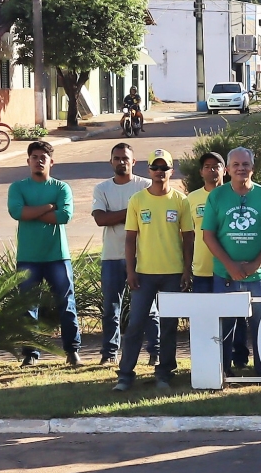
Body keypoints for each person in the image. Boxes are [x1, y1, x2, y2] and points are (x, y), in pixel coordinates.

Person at [114, 150, 192, 391]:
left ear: (171, 170)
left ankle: (164, 374)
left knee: (168, 326)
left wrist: (187, 270)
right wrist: (130, 270)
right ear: (149, 170)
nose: (160, 172)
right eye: (155, 167)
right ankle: (125, 375)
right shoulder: (138, 200)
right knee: (135, 324)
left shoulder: (181, 201)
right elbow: (129, 239)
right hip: (144, 274)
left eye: (164, 167)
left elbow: (188, 238)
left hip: (173, 274)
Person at [201, 146, 261, 375]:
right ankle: (222, 372)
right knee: (224, 326)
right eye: (236, 165)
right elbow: (208, 235)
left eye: (245, 164)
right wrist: (230, 265)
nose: (241, 169)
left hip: (258, 275)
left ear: (252, 168)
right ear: (227, 170)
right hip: (225, 274)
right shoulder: (217, 196)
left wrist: (255, 264)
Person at [7, 140, 80, 367]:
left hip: (57, 256)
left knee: (66, 304)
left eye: (43, 157)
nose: (39, 161)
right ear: (28, 161)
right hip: (28, 257)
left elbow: (64, 217)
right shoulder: (18, 187)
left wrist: (32, 213)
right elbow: (16, 211)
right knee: (28, 307)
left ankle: (72, 351)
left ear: (51, 162)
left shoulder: (61, 188)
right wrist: (49, 207)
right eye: (34, 157)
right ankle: (30, 353)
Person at [91, 142, 151, 367]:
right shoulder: (102, 188)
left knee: (148, 309)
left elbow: (151, 216)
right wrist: (134, 212)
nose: (121, 162)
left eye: (125, 158)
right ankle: (109, 353)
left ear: (133, 162)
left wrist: (115, 215)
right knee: (111, 309)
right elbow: (100, 219)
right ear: (111, 162)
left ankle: (153, 352)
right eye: (117, 158)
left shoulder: (145, 186)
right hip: (111, 257)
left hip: (143, 257)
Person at [186, 151, 225, 294]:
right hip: (202, 271)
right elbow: (188, 237)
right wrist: (187, 267)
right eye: (207, 167)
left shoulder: (233, 196)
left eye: (216, 166)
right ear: (201, 172)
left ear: (225, 170)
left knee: (229, 315)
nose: (212, 170)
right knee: (202, 315)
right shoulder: (191, 198)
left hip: (229, 270)